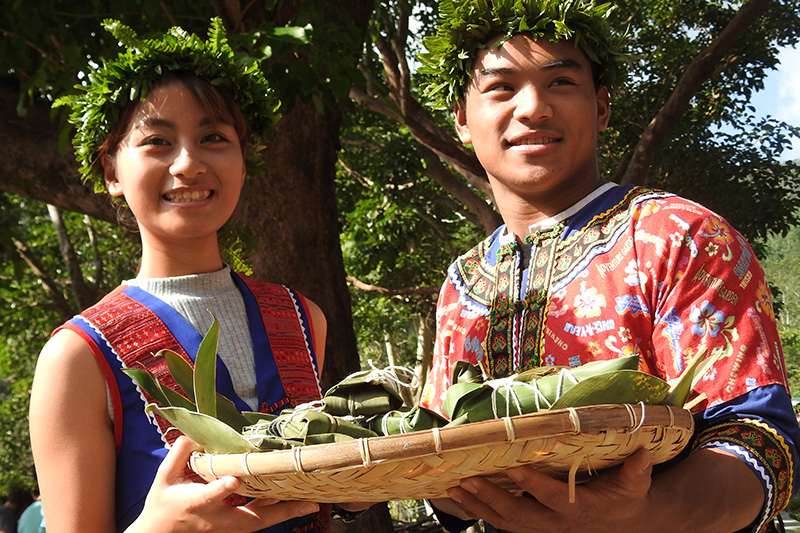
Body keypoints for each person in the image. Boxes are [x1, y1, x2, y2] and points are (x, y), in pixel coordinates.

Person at [416, 1, 800, 532]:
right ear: (462, 118)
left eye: (561, 84)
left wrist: (639, 513)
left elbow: (762, 445)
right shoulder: (461, 284)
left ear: (601, 108)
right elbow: (443, 456)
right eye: (501, 87)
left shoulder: (681, 237)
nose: (533, 109)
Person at [29, 19, 329, 533]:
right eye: (157, 142)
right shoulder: (78, 357)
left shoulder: (302, 319)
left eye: (213, 137)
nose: (188, 163)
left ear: (243, 159)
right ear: (111, 172)